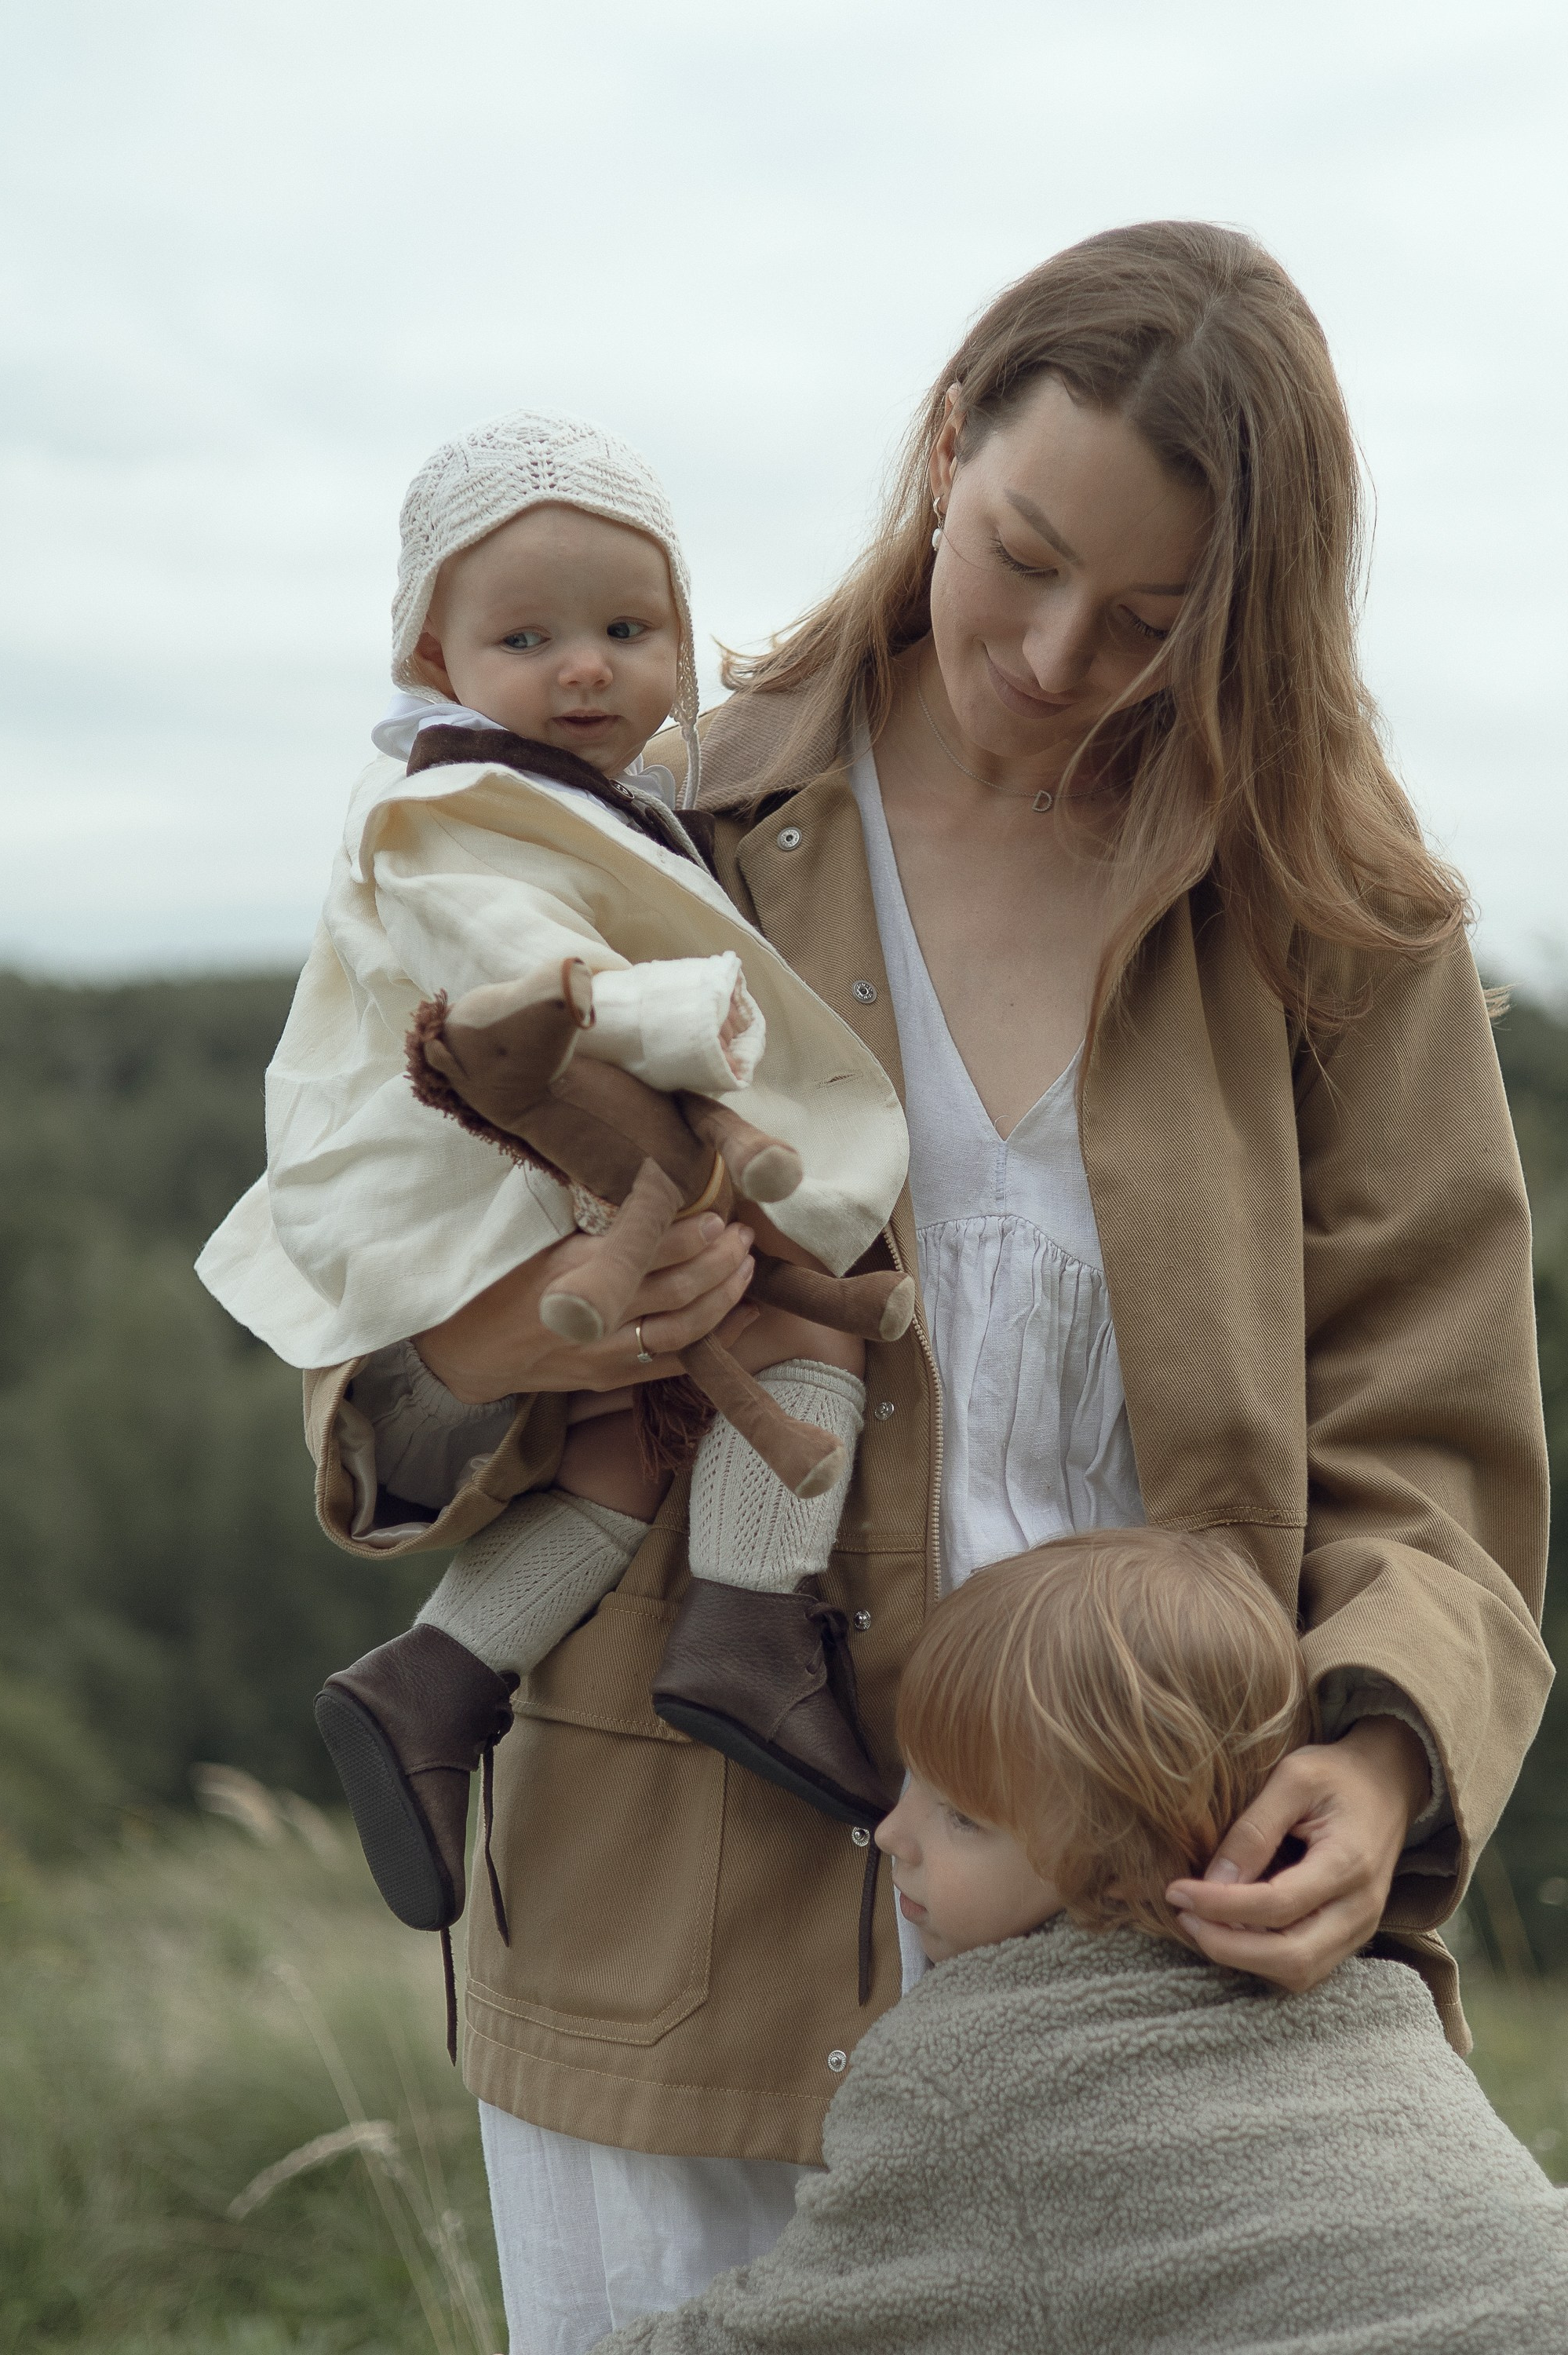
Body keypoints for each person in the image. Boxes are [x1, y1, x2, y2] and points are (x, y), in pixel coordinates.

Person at [297, 222, 1552, 2354]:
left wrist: (1376, 1755)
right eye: (1024, 558)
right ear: (947, 444)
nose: (1057, 657)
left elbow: (1434, 1434)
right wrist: (567, 1314)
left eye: (1150, 619)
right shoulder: (625, 820)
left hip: (1155, 1952)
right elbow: (372, 1402)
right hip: (668, 1939)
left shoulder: (1331, 907)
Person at [196, 410, 912, 1955]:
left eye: (627, 631)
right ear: (434, 658)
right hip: (524, 1161)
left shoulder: (575, 790)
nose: (584, 669)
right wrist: (694, 1017)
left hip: (548, 1165)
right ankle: (749, 1623)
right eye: (527, 639)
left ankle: (435, 1679)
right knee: (814, 1314)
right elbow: (532, 973)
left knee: (620, 1445)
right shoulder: (455, 806)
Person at [578, 1530, 1568, 2354]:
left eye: (962, 1818)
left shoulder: (970, 2077)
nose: (891, 1833)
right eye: (913, 1777)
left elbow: (793, 2332)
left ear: (1125, 1867)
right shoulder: (1374, 1999)